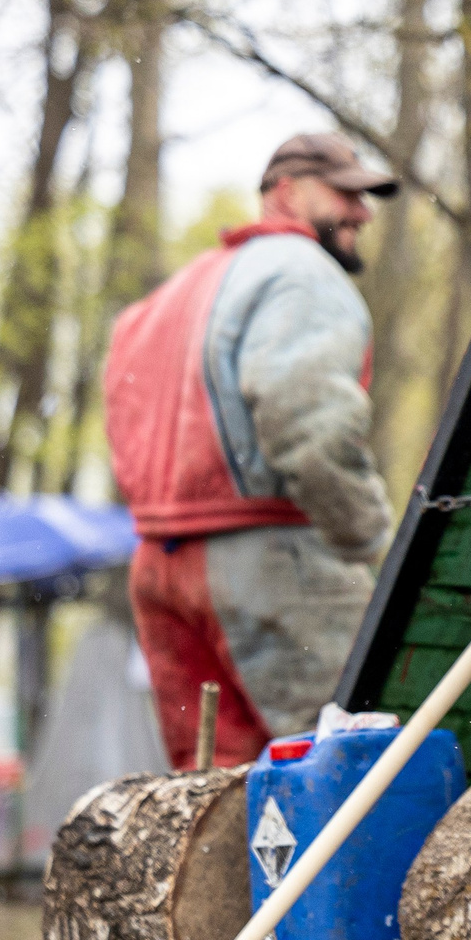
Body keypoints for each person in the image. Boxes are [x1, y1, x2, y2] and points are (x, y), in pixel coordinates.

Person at [103, 134, 396, 769]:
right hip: (267, 563)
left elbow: (124, 417)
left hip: (158, 568)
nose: (361, 213)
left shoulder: (172, 294)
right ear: (285, 193)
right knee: (352, 767)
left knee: (215, 798)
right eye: (345, 194)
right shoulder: (301, 272)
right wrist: (369, 539)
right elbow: (305, 415)